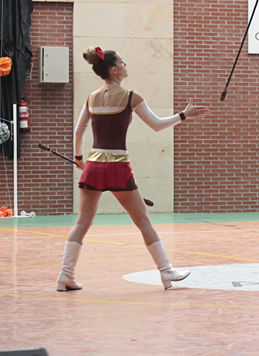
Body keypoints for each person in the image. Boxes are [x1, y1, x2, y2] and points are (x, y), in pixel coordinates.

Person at [57, 47, 210, 291]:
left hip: (93, 166)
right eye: (122, 62)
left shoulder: (91, 97)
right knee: (143, 220)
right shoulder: (131, 97)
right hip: (117, 166)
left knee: (82, 223)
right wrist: (183, 115)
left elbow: (79, 131)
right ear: (114, 69)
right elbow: (157, 125)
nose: (125, 64)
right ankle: (166, 271)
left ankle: (65, 276)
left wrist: (78, 158)